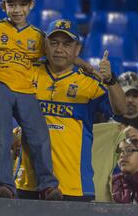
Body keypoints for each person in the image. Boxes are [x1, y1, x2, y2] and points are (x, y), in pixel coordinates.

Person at [15, 19, 127, 201]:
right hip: (28, 182)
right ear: (45, 45)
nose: (59, 49)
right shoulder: (27, 73)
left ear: (77, 49)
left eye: (67, 44)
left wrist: (110, 81)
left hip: (74, 185)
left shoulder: (90, 82)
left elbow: (121, 110)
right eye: (54, 43)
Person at [0, 0, 62, 199]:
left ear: (31, 5)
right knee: (2, 137)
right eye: (12, 4)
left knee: (40, 136)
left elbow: (59, 55)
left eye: (22, 4)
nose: (17, 10)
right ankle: (5, 184)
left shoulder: (37, 36)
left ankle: (48, 185)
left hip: (26, 90)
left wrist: (87, 66)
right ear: (4, 6)